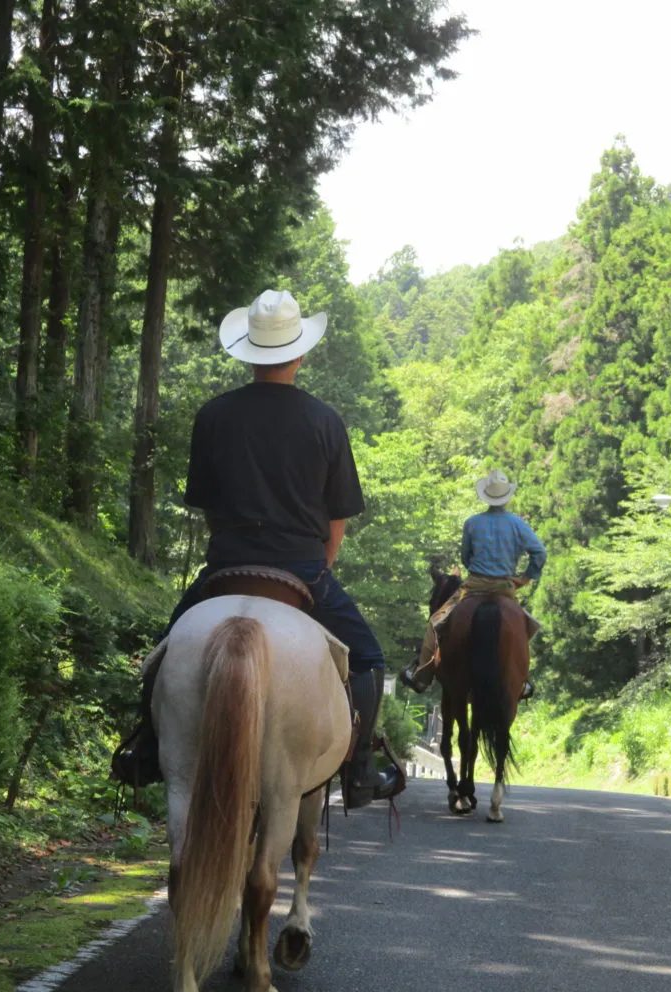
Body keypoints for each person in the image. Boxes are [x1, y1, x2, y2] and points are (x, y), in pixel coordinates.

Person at [113, 288, 403, 808]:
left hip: (227, 566)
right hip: (302, 569)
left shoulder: (215, 415)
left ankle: (147, 750)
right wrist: (319, 571)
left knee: (163, 653)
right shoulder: (325, 421)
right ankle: (359, 773)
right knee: (369, 657)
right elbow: (336, 520)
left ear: (249, 351)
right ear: (300, 352)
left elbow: (206, 506)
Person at [399, 469, 546, 695]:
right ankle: (522, 679)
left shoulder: (472, 523)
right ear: (506, 496)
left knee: (435, 622)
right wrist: (525, 578)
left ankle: (422, 676)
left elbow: (466, 558)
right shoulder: (517, 524)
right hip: (506, 588)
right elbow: (539, 552)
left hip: (473, 586)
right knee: (526, 628)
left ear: (486, 495)